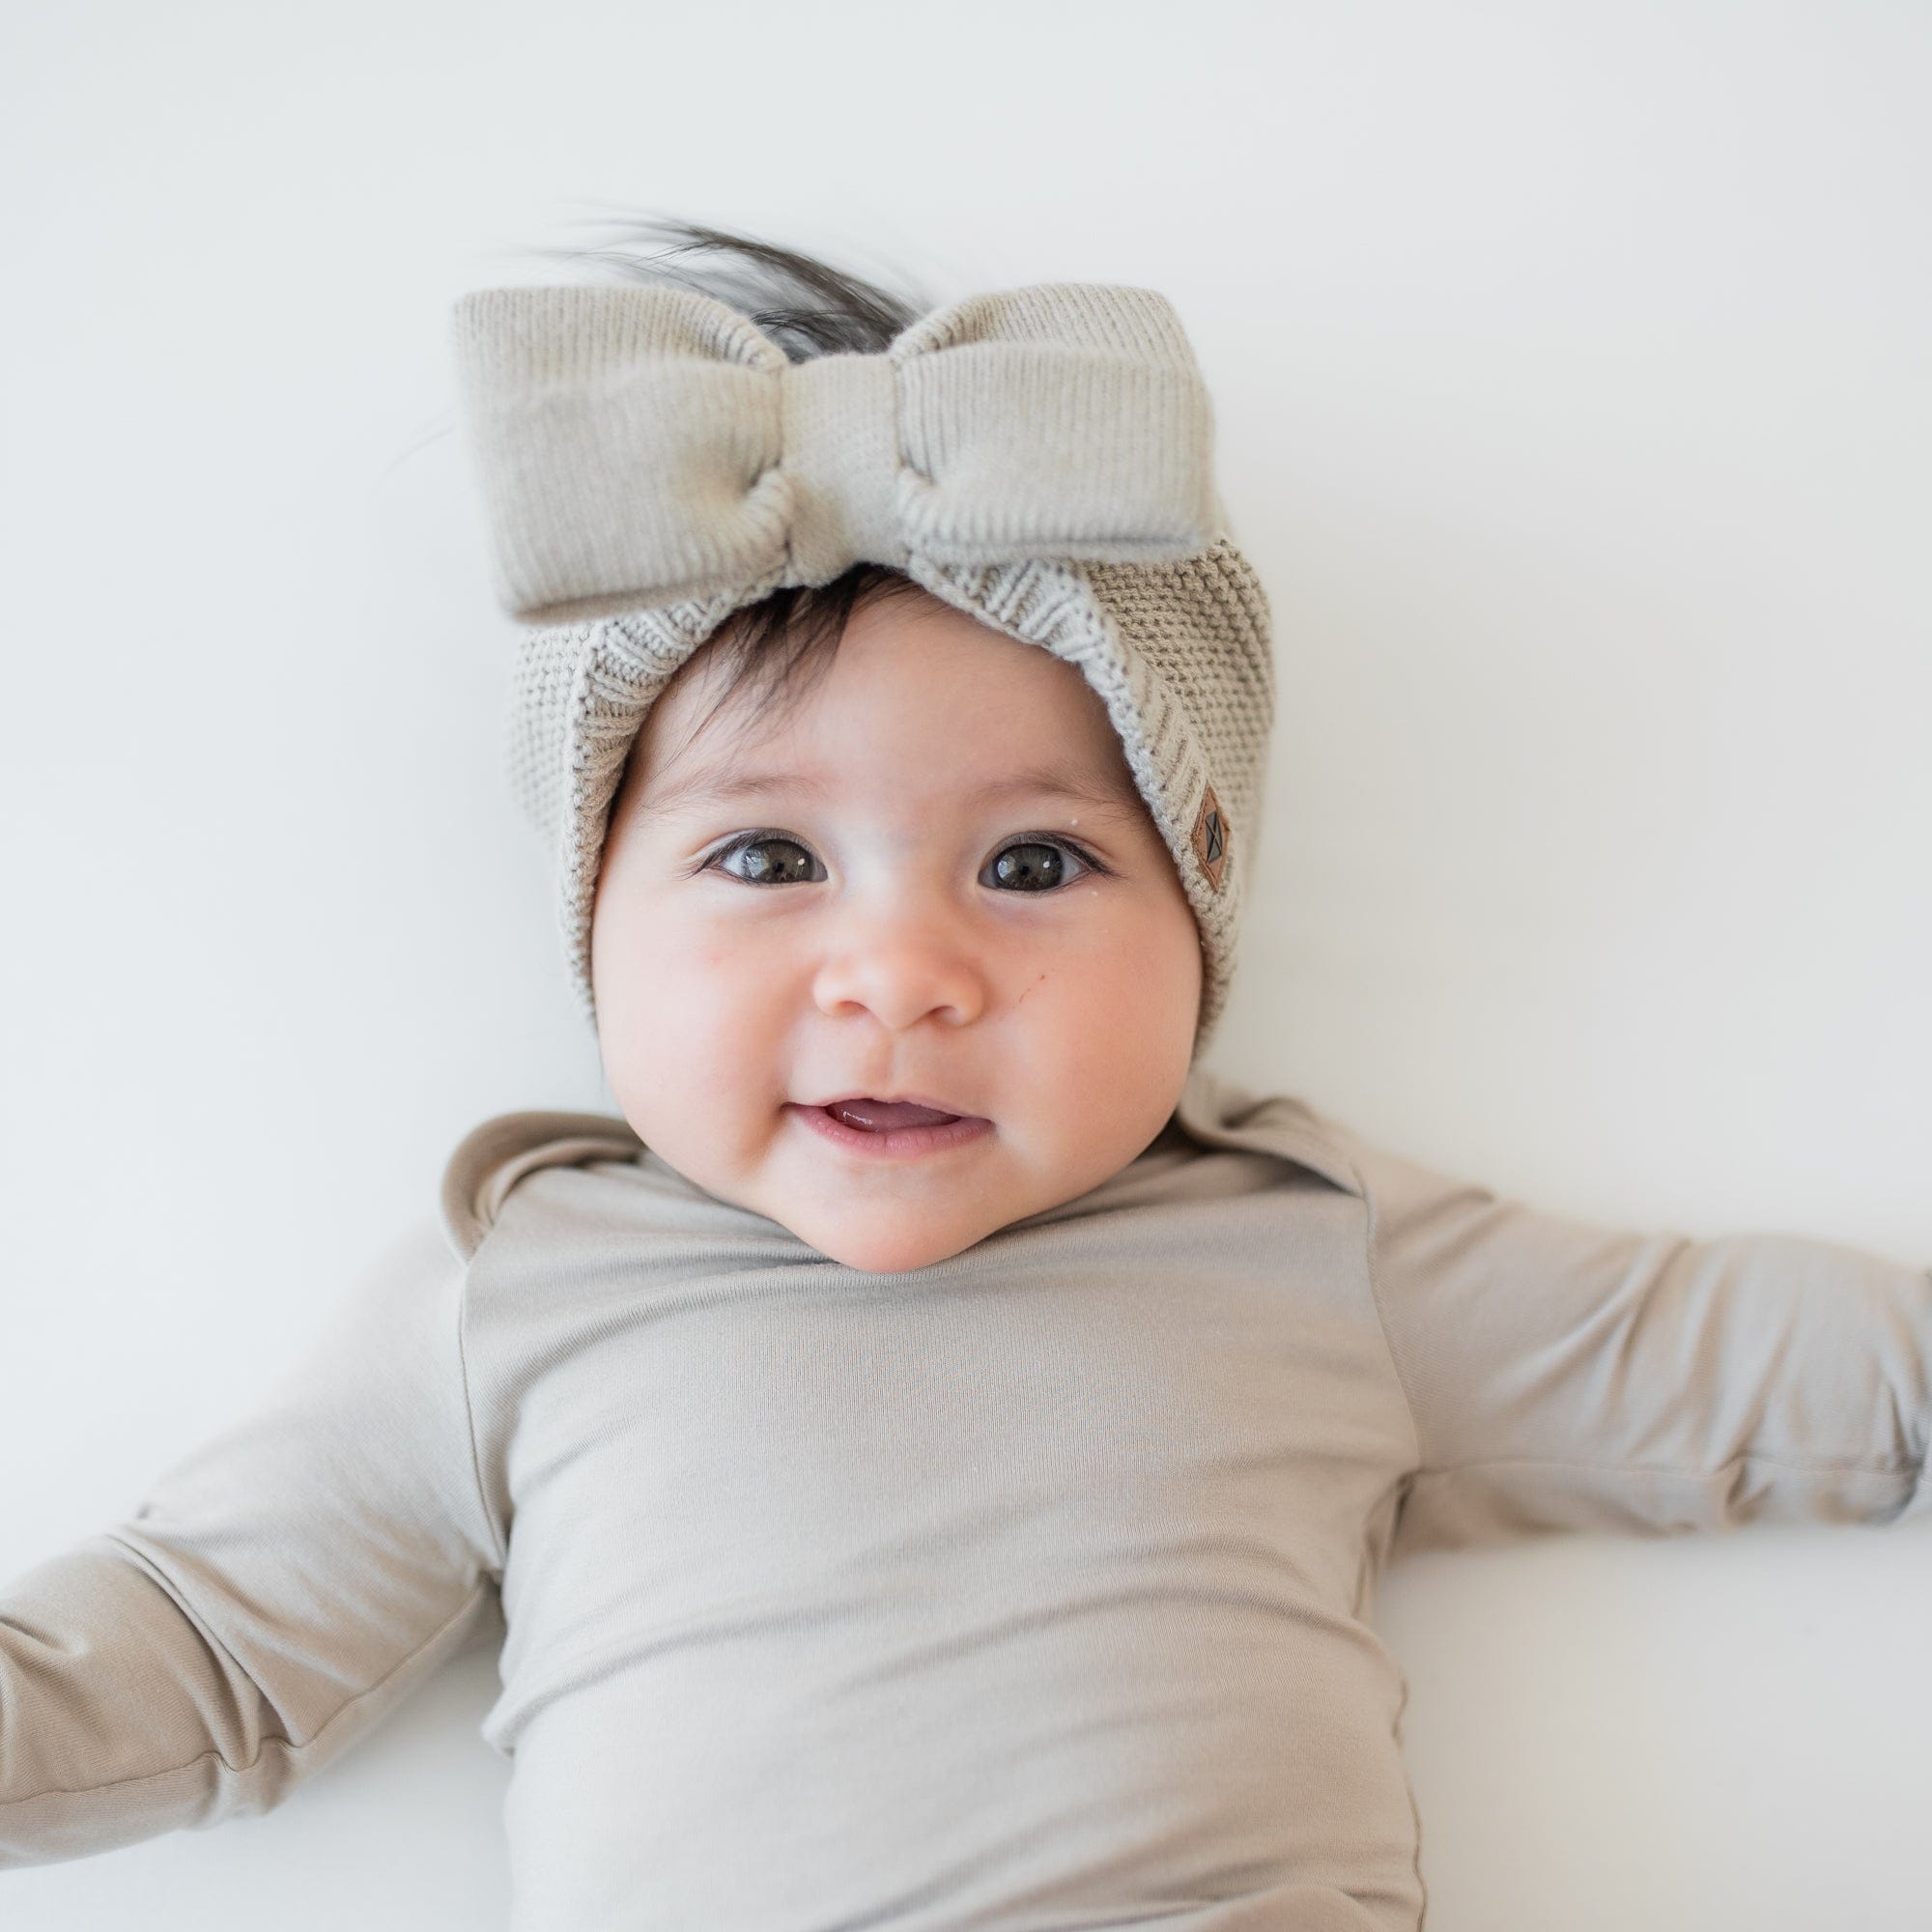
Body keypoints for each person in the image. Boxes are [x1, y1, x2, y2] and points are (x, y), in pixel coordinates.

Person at [3, 219, 1927, 1931]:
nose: (903, 976)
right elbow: (198, 1637)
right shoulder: (520, 1288)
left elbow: (1751, 1361)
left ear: (1201, 925)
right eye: (765, 858)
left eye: (1035, 863)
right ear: (593, 922)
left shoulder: (1304, 1245)